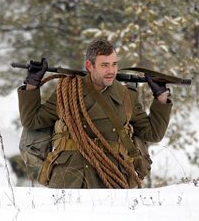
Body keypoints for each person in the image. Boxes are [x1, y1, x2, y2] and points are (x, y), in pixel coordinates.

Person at [18, 38, 172, 188]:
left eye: (114, 64)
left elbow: (153, 134)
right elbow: (32, 121)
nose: (111, 71)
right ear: (89, 66)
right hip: (69, 178)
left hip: (113, 179)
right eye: (104, 65)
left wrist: (161, 97)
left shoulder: (126, 96)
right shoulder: (67, 91)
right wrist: (32, 84)